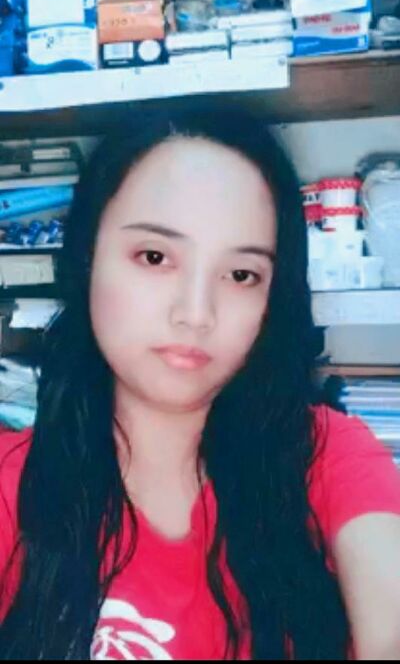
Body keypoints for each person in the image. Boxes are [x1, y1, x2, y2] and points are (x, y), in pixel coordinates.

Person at [0, 103, 399, 661]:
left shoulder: (325, 455)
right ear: (88, 258)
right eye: (155, 256)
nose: (196, 313)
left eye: (241, 274)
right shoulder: (13, 488)